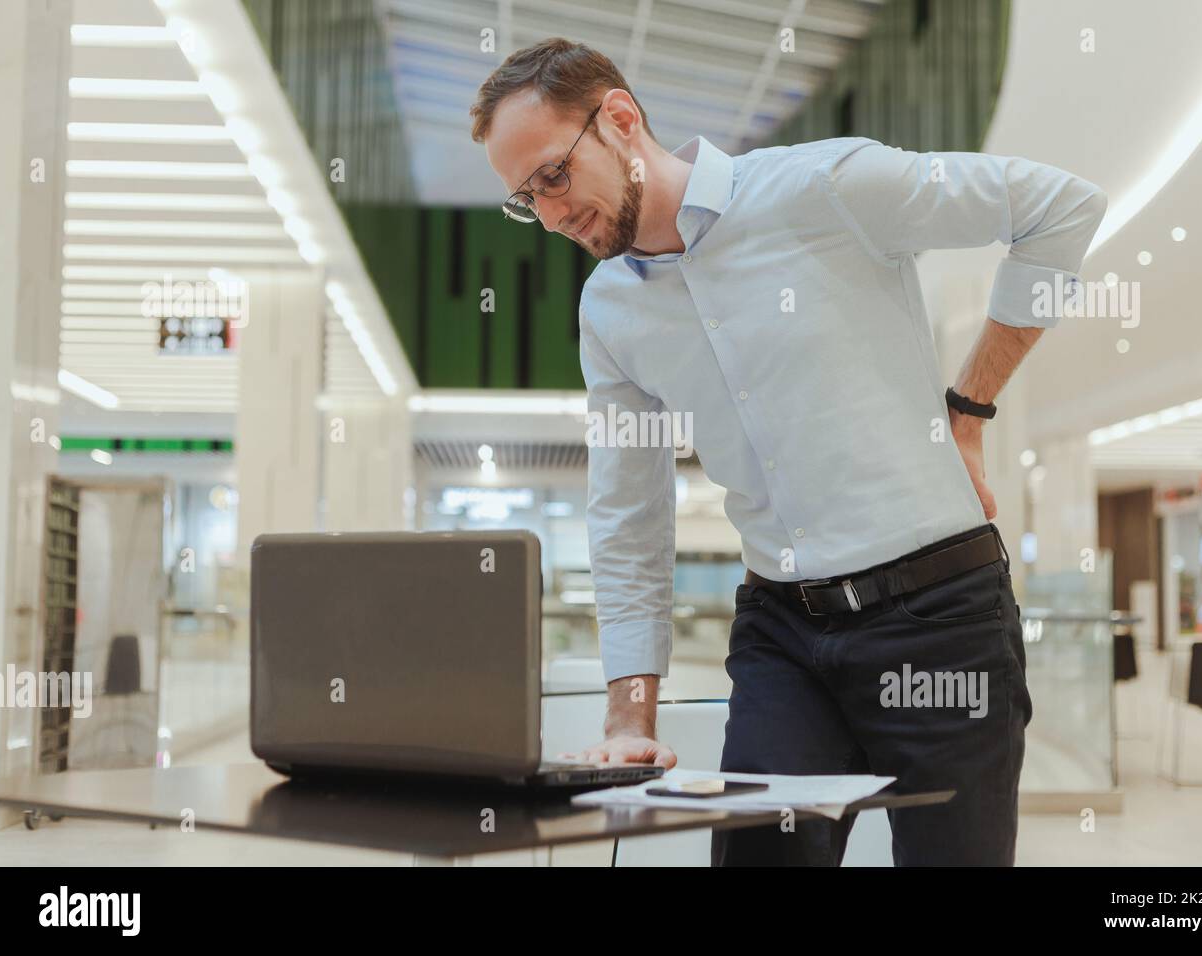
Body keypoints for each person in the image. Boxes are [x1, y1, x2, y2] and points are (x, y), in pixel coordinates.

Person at [471, 38, 1107, 866]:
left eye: (552, 176)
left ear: (620, 119)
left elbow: (1062, 208)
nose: (551, 215)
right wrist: (630, 717)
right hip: (783, 634)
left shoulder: (827, 187)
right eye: (526, 200)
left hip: (941, 619)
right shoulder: (610, 312)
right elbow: (629, 513)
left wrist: (971, 408)